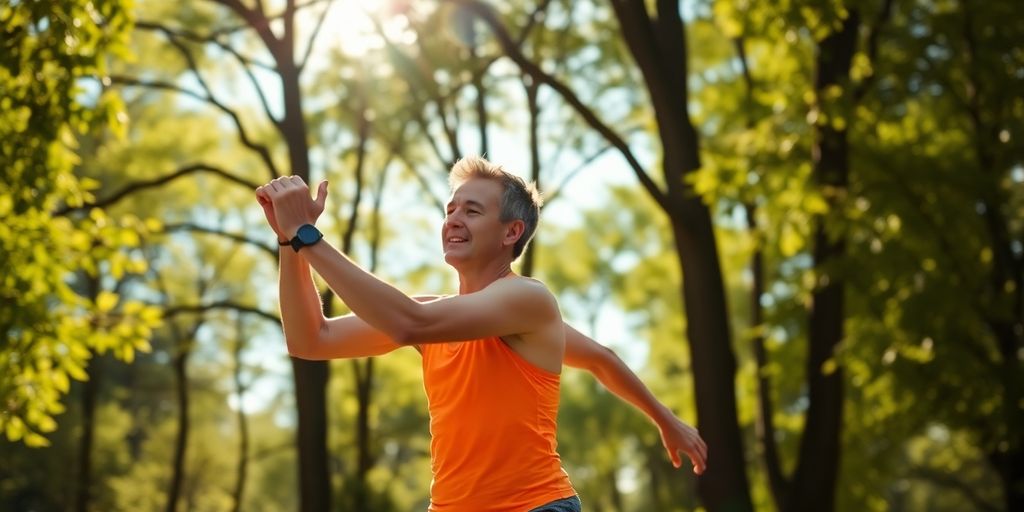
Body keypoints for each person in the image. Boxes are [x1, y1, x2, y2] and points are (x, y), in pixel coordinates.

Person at [255, 156, 706, 512]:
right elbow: (310, 339)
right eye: (450, 209)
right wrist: (289, 244)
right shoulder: (437, 315)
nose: (453, 219)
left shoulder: (527, 300)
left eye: (472, 210)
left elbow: (408, 322)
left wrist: (308, 234)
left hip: (535, 506)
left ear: (512, 231)